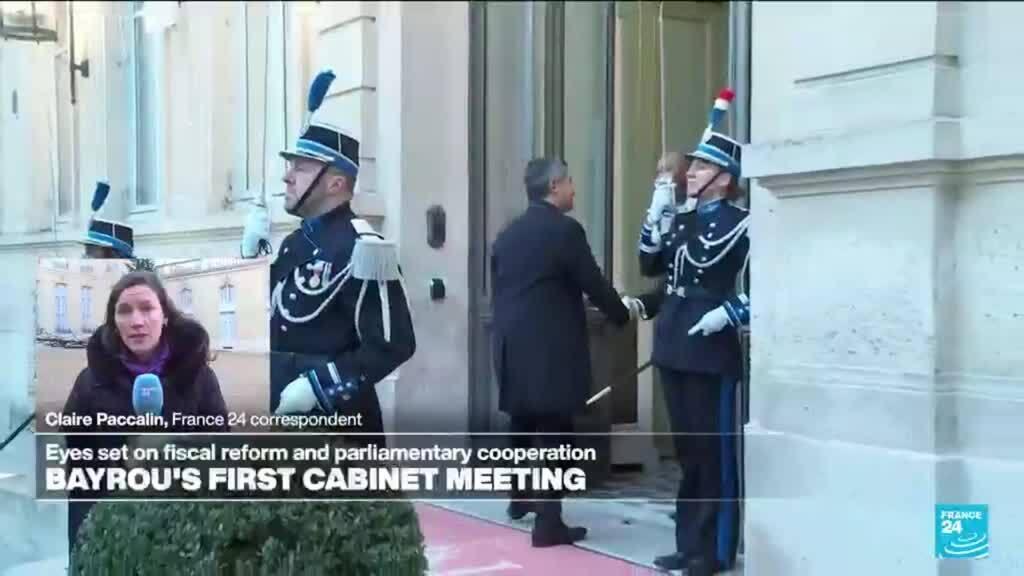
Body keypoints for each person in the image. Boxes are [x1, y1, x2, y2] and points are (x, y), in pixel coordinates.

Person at [241, 70, 415, 447]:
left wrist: (318, 387)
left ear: (336, 183)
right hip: (279, 414)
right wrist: (248, 255)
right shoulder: (291, 245)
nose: (287, 178)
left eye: (301, 168)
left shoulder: (365, 248)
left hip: (338, 424)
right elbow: (259, 321)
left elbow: (392, 343)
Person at [636, 89, 749, 576]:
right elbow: (649, 264)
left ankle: (715, 550)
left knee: (713, 454)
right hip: (675, 344)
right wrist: (656, 211)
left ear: (723, 179)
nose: (691, 174)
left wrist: (731, 313)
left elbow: (776, 286)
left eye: (701, 169)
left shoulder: (745, 225)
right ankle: (688, 545)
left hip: (711, 349)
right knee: (687, 454)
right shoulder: (683, 220)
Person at [490, 157, 631, 547]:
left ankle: (519, 499)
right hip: (549, 349)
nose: (573, 188)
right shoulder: (565, 231)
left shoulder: (507, 235)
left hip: (509, 345)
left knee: (522, 423)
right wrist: (622, 315)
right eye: (569, 181)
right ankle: (548, 521)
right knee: (555, 431)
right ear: (554, 186)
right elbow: (594, 283)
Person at [61, 271, 229, 551]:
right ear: (114, 324)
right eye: (124, 312)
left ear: (164, 316)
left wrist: (174, 452)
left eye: (147, 308)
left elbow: (221, 451)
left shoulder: (199, 377)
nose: (136, 321)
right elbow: (78, 469)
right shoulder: (90, 382)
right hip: (114, 529)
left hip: (180, 529)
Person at [81, 181, 135, 259]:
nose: (86, 256)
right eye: (87, 249)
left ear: (113, 253)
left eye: (92, 249)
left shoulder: (138, 269)